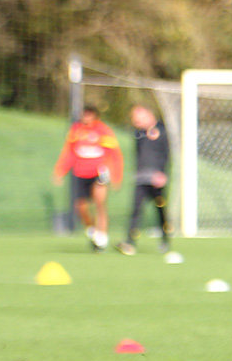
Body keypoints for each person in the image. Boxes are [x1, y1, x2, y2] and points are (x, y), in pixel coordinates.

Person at [54, 106, 121, 251]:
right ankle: (92, 229)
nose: (86, 117)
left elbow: (114, 154)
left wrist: (116, 176)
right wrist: (60, 171)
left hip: (98, 173)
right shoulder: (76, 130)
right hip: (80, 173)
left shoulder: (103, 131)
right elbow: (69, 152)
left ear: (95, 116)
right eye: (84, 114)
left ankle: (102, 236)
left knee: (100, 204)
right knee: (81, 207)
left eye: (89, 115)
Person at [117, 104, 171, 255]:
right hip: (141, 178)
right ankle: (129, 242)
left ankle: (165, 240)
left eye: (139, 118)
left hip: (156, 179)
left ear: (149, 115)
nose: (136, 122)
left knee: (160, 211)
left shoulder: (162, 131)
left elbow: (166, 154)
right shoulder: (139, 134)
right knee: (136, 210)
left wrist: (161, 173)